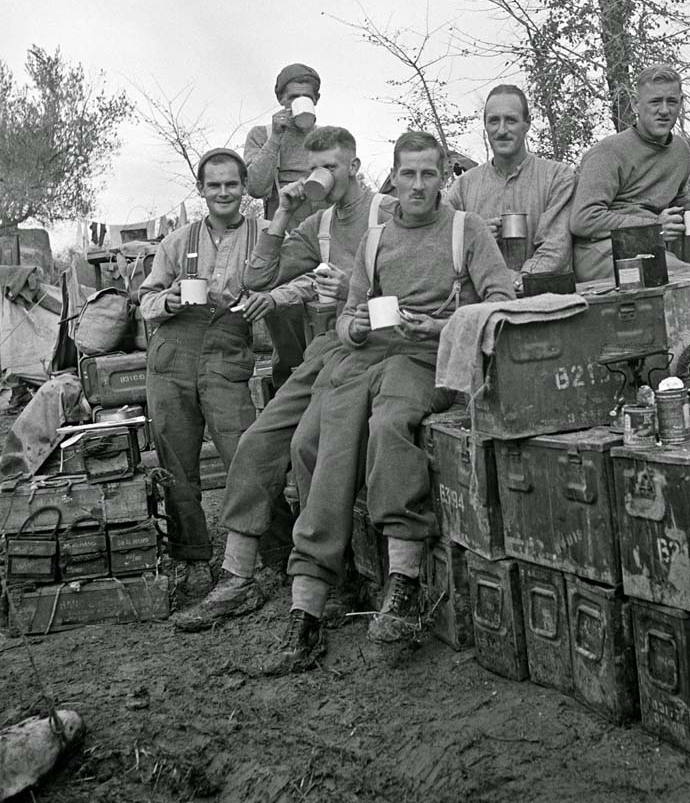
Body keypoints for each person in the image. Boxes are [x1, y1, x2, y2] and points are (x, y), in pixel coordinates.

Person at [261, 131, 516, 675]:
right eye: (408, 175)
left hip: (429, 359)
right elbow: (349, 316)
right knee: (315, 442)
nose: (418, 185)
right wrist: (352, 326)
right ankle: (309, 601)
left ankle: (402, 580)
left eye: (429, 174)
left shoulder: (465, 231)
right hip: (367, 358)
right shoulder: (377, 239)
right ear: (392, 178)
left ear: (443, 175)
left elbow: (501, 304)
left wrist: (444, 325)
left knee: (391, 424)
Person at [173, 126, 395, 632]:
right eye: (313, 168)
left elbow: (417, 285)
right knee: (257, 441)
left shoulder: (389, 211)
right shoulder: (316, 224)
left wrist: (352, 294)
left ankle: (339, 578)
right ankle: (237, 577)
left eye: (332, 168)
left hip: (384, 348)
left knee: (310, 448)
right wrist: (280, 216)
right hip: (328, 347)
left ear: (355, 167)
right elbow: (256, 280)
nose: (321, 177)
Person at [139, 149, 282, 606]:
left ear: (245, 189)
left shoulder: (266, 236)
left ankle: (279, 555)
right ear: (201, 190)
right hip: (173, 352)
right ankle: (193, 560)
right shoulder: (178, 242)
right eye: (214, 185)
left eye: (232, 184)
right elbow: (144, 301)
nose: (223, 193)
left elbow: (289, 281)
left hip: (226, 349)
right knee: (177, 463)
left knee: (248, 452)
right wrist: (170, 301)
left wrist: (270, 299)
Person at [569, 64, 690, 280]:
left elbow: (676, 197)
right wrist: (653, 228)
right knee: (686, 279)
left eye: (671, 101)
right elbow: (583, 219)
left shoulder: (680, 151)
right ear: (635, 105)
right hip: (599, 251)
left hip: (649, 246)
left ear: (681, 104)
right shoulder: (608, 152)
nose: (664, 110)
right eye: (654, 101)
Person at [244, 62, 326, 386]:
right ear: (281, 99)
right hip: (283, 241)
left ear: (316, 100)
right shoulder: (263, 135)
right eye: (293, 97)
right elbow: (256, 188)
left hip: (323, 240)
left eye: (307, 97)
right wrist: (276, 139)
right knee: (284, 314)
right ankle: (289, 390)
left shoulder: (325, 139)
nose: (299, 103)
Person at [447, 85, 576, 287]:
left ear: (527, 124)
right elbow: (442, 250)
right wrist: (476, 242)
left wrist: (516, 282)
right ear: (485, 126)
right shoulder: (462, 187)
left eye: (511, 120)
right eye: (494, 121)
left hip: (545, 301)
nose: (502, 130)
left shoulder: (557, 177)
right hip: (482, 305)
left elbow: (555, 249)